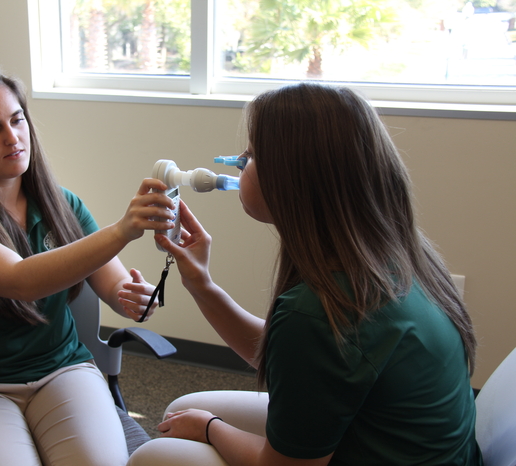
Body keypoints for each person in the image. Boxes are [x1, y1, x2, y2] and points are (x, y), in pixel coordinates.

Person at [128, 83, 483, 465]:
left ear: (293, 180)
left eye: (251, 155)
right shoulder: (394, 259)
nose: (239, 163)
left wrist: (211, 427)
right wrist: (201, 284)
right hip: (416, 448)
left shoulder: (314, 313)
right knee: (184, 407)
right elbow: (289, 357)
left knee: (157, 455)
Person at [0, 65, 176, 466]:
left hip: (63, 369)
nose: (12, 137)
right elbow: (20, 281)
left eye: (17, 119)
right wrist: (123, 229)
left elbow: (114, 286)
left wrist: (136, 299)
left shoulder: (63, 204)